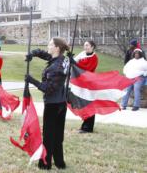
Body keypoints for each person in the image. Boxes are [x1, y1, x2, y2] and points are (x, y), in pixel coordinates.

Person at [25, 37, 69, 170]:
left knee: (49, 135)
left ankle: (45, 163)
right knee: (58, 134)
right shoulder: (62, 59)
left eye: (50, 44)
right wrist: (32, 53)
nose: (48, 46)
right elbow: (44, 54)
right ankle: (60, 163)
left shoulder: (56, 67)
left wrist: (32, 81)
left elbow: (48, 88)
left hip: (53, 104)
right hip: (61, 102)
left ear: (57, 48)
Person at [73, 40, 98, 133]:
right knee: (83, 105)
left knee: (89, 105)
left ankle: (88, 127)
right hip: (82, 84)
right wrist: (71, 60)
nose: (85, 47)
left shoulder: (94, 57)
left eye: (87, 45)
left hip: (89, 84)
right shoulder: (82, 54)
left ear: (92, 47)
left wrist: (75, 63)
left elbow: (87, 68)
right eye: (84, 45)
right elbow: (75, 62)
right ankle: (84, 125)